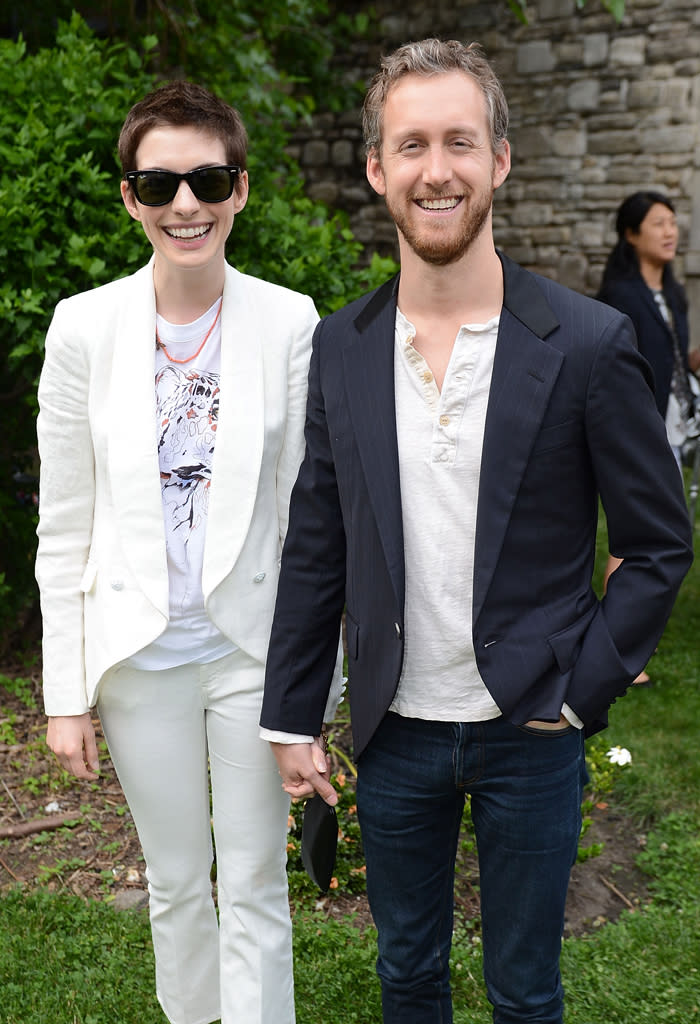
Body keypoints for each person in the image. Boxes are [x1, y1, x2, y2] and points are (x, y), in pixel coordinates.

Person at [259, 38, 694, 1024]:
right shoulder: (342, 343)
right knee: (405, 975)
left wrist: (580, 690)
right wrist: (293, 713)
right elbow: (318, 538)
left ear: (498, 159)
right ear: (378, 168)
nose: (436, 168)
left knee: (525, 990)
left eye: (460, 141)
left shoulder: (586, 343)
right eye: (411, 145)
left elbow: (659, 540)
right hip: (394, 728)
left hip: (531, 725)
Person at [35, 80, 341, 1024]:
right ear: (130, 196)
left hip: (249, 655)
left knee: (254, 887)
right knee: (174, 886)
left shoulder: (289, 321)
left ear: (240, 189)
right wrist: (66, 694)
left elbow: (309, 523)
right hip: (137, 662)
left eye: (208, 180)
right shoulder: (82, 327)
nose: (186, 205)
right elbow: (65, 523)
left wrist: (310, 691)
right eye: (160, 184)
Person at [597, 190, 699, 685]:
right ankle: (617, 647)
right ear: (631, 234)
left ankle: (626, 638)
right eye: (658, 223)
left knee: (658, 533)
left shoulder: (671, 292)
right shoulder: (621, 296)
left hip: (674, 421)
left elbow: (671, 358)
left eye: (673, 222)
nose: (670, 231)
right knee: (634, 534)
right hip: (638, 428)